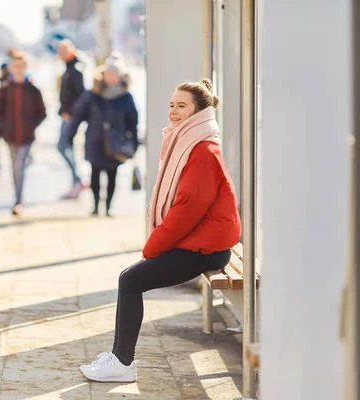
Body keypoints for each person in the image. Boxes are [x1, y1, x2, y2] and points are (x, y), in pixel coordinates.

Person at [78, 79, 242, 383]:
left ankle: (123, 363)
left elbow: (187, 208)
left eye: (182, 106)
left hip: (209, 248)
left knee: (131, 279)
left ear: (199, 112)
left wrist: (154, 247)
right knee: (132, 278)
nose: (174, 112)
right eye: (172, 105)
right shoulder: (193, 143)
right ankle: (118, 357)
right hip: (206, 241)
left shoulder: (203, 150)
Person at [67, 57, 138, 217]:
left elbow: (133, 122)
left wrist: (133, 143)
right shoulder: (92, 94)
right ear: (103, 74)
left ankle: (108, 208)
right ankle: (94, 206)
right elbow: (78, 115)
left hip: (116, 143)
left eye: (115, 74)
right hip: (95, 140)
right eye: (109, 73)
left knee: (113, 175)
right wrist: (70, 133)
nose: (111, 77)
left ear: (120, 76)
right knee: (95, 173)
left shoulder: (126, 97)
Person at [0, 51, 46, 216]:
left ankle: (18, 201)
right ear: (11, 68)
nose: (18, 69)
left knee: (19, 167)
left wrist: (31, 126)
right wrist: (4, 127)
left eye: (21, 66)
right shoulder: (5, 90)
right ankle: (17, 196)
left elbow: (42, 112)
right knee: (14, 167)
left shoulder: (33, 90)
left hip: (27, 137)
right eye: (15, 66)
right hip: (10, 137)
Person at [57, 39, 86, 199]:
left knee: (62, 146)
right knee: (68, 148)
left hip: (71, 117)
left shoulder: (76, 68)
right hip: (67, 115)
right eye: (60, 52)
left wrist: (72, 113)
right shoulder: (70, 67)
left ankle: (78, 180)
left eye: (64, 51)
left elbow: (81, 95)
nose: (61, 55)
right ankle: (77, 182)